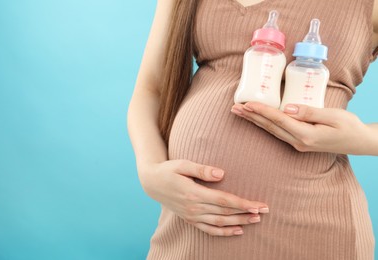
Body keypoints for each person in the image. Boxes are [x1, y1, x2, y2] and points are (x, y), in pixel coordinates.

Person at [127, 0, 378, 259]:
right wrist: (150, 172)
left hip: (312, 227)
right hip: (190, 229)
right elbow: (151, 90)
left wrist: (361, 138)